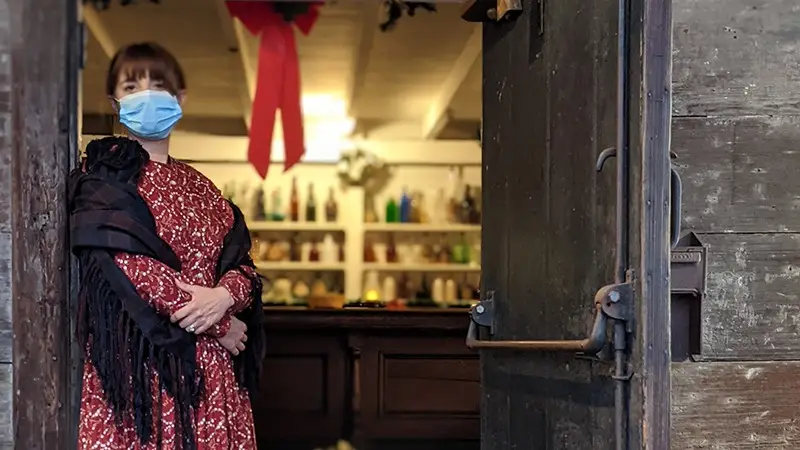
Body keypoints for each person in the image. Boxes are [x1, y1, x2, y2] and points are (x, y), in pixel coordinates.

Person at [69, 42, 264, 449]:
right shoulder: (105, 177)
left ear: (180, 98)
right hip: (138, 368)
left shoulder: (204, 188)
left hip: (212, 379)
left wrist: (226, 295)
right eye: (132, 85)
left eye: (158, 84)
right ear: (114, 101)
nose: (147, 94)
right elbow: (126, 264)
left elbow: (241, 263)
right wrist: (220, 322)